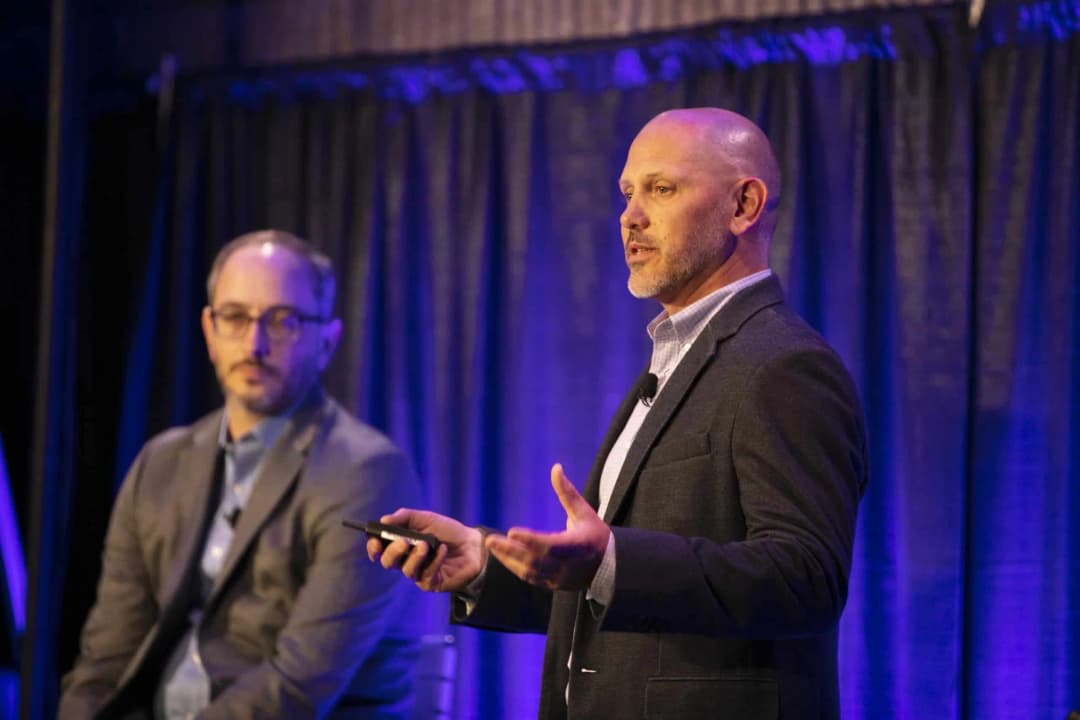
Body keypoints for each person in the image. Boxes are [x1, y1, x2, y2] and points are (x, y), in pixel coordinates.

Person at [367, 108, 868, 719]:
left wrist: (611, 560)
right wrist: (482, 563)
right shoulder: (675, 362)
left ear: (744, 205)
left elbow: (805, 580)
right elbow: (623, 597)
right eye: (627, 193)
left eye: (662, 189)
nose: (630, 216)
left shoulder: (783, 366)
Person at [60, 230, 424, 719]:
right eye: (235, 317)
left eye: (283, 321)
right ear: (210, 332)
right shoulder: (159, 464)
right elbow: (106, 659)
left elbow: (297, 686)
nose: (254, 344)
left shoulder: (366, 473)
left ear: (326, 342)